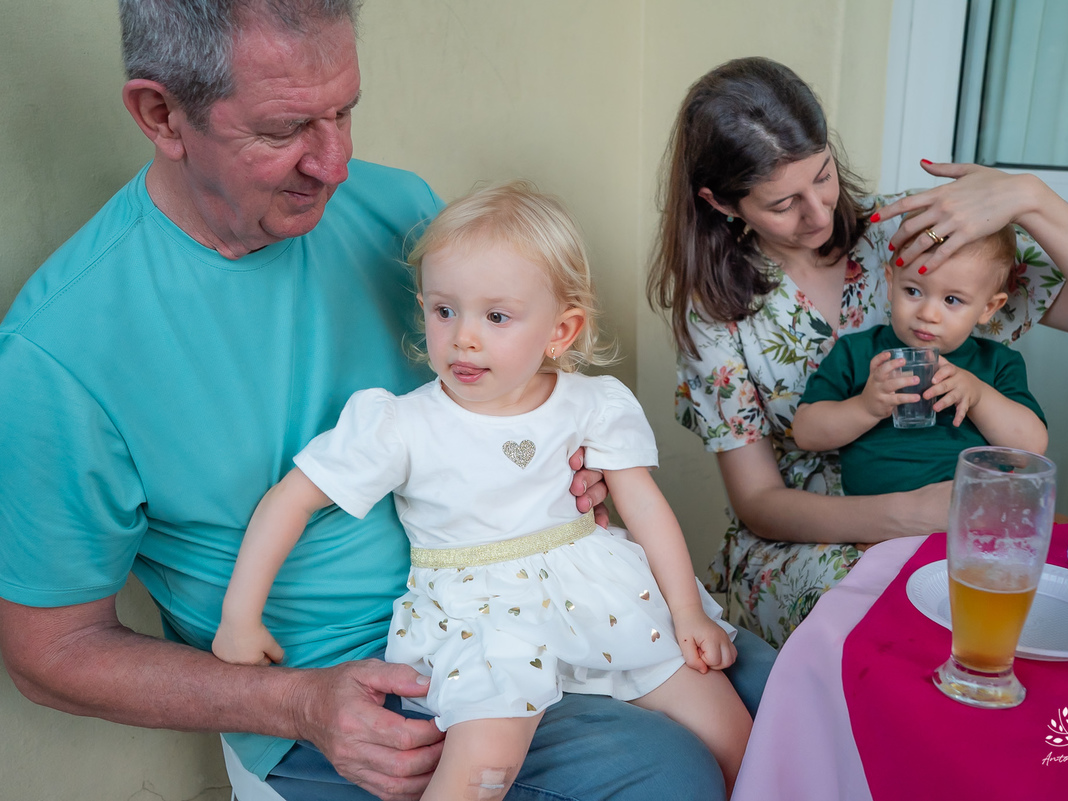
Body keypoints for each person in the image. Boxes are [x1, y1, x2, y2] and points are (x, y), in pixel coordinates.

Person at [0, 5, 774, 801]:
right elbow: (50, 651)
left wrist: (566, 470)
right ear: (161, 115)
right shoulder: (62, 353)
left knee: (798, 697)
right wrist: (295, 703)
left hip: (556, 595)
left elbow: (509, 388)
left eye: (344, 111)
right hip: (366, 678)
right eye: (285, 129)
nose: (334, 165)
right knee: (669, 775)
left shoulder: (400, 212)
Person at [213, 183, 752, 799]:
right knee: (480, 773)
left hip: (599, 591)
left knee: (732, 734)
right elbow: (293, 498)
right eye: (444, 311)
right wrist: (239, 618)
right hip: (484, 620)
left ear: (561, 329)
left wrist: (684, 611)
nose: (464, 337)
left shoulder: (591, 403)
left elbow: (643, 505)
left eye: (496, 316)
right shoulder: (402, 424)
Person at [647, 56, 1068, 647]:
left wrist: (1031, 199)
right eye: (783, 203)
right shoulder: (717, 308)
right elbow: (761, 502)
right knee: (894, 627)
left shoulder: (911, 230)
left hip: (959, 515)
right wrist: (907, 514)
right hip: (813, 540)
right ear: (721, 203)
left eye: (822, 176)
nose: (817, 213)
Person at [792, 225, 1047, 495]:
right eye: (913, 291)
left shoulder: (997, 362)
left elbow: (1029, 450)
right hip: (880, 523)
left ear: (988, 308)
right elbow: (806, 433)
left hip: (975, 517)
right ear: (891, 283)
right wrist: (865, 408)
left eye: (951, 299)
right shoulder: (857, 352)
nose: (928, 314)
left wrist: (979, 396)